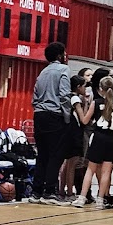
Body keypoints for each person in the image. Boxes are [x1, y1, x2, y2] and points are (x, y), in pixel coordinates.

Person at [29, 42, 71, 204]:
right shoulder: (63, 70)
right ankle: (49, 191)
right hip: (55, 115)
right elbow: (64, 95)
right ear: (60, 55)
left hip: (39, 116)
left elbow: (34, 97)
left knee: (42, 154)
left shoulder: (43, 72)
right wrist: (67, 117)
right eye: (64, 53)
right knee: (55, 154)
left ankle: (36, 191)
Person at [73, 75, 113, 208]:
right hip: (112, 139)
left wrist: (82, 108)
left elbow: (85, 121)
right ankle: (100, 200)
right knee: (106, 172)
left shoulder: (96, 102)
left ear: (100, 88)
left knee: (90, 170)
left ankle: (81, 198)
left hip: (98, 137)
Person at [60, 75, 94, 200]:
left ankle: (62, 191)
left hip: (68, 132)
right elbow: (83, 119)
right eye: (84, 86)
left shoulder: (67, 96)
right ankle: (69, 192)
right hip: (74, 133)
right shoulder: (75, 99)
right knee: (72, 164)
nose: (85, 89)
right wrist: (87, 104)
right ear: (78, 87)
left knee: (66, 164)